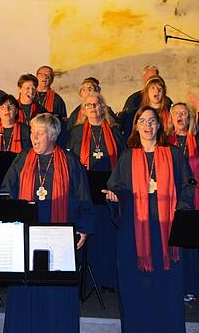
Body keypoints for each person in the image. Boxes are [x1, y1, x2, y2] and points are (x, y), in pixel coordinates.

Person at [103, 106, 194, 332]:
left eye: (152, 121)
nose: (147, 125)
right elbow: (116, 187)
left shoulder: (173, 154)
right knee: (137, 290)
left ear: (159, 125)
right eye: (142, 121)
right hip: (135, 233)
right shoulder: (127, 157)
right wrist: (115, 198)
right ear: (136, 126)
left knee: (167, 289)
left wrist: (180, 209)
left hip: (166, 231)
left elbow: (188, 186)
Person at [2, 113, 95, 333]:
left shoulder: (70, 162)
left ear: (52, 135)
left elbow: (84, 198)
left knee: (55, 292)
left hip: (58, 237)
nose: (34, 138)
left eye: (39, 133)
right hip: (27, 235)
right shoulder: (22, 159)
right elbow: (7, 191)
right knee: (26, 289)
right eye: (32, 133)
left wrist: (84, 229)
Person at [68, 91, 124, 289]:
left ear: (103, 107)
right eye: (88, 105)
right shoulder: (75, 133)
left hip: (107, 193)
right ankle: (84, 280)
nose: (93, 108)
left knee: (104, 236)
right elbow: (70, 162)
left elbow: (122, 163)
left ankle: (104, 280)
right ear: (83, 109)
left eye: (96, 104)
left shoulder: (115, 132)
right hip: (83, 192)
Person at [167, 102, 199, 301]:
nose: (180, 116)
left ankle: (192, 288)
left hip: (194, 199)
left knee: (192, 247)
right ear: (170, 117)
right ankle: (173, 285)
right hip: (170, 199)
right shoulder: (164, 141)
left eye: (184, 113)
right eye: (176, 113)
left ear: (190, 118)